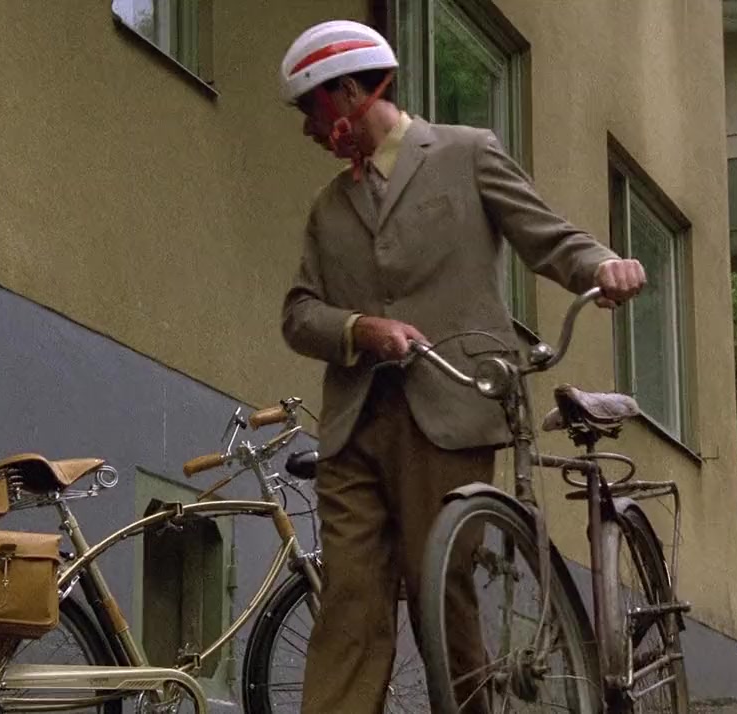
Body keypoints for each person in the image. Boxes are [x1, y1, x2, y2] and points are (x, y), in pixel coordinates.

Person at [278, 19, 646, 713]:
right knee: (349, 604)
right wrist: (361, 329)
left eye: (311, 110)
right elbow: (299, 313)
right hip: (354, 426)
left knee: (439, 595)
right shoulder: (328, 208)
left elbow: (546, 234)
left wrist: (602, 265)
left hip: (451, 406)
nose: (307, 129)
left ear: (349, 93)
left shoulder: (466, 152)